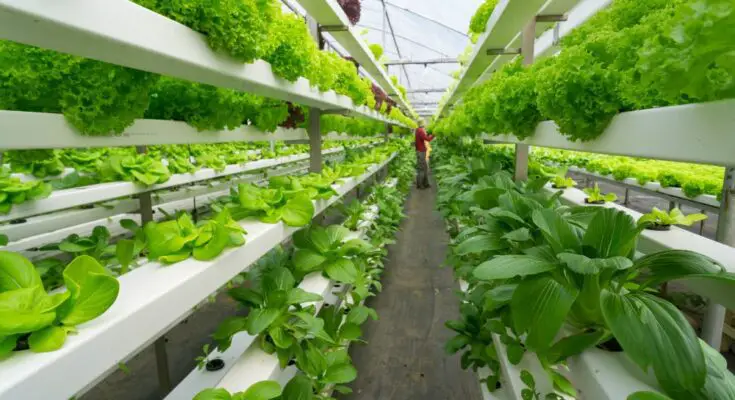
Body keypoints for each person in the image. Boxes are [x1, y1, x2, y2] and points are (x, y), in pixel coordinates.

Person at [415, 121, 435, 189]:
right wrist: (434, 134)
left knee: (425, 168)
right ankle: (420, 185)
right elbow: (428, 139)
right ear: (422, 124)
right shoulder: (420, 131)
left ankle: (425, 183)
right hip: (421, 152)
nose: (426, 125)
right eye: (425, 123)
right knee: (421, 168)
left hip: (421, 151)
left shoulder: (418, 130)